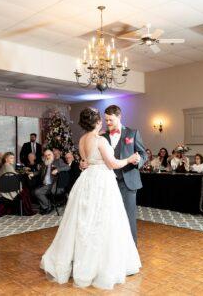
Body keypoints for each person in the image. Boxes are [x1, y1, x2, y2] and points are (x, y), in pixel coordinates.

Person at [41, 107, 141, 289]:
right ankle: (100, 266)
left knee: (84, 221)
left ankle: (79, 260)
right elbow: (112, 164)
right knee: (104, 222)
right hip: (102, 181)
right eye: (102, 120)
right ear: (98, 122)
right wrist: (129, 159)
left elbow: (86, 161)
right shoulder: (100, 140)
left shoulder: (82, 139)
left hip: (86, 180)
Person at [100, 105, 147, 244]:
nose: (107, 123)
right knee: (109, 217)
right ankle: (113, 248)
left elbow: (143, 153)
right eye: (106, 120)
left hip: (128, 182)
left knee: (128, 217)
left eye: (110, 120)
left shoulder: (132, 133)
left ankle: (131, 250)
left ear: (119, 117)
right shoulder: (102, 137)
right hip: (108, 182)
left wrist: (139, 160)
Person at [0, 152, 35, 216]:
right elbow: (15, 178)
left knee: (24, 190)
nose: (13, 159)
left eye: (13, 158)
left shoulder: (5, 166)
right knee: (25, 191)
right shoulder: (7, 166)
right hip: (5, 191)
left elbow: (13, 175)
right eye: (11, 158)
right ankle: (26, 211)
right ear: (6, 159)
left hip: (4, 189)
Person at [33, 149, 70, 215]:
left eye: (49, 155)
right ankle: (47, 206)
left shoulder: (58, 161)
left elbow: (67, 167)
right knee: (35, 191)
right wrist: (33, 174)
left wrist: (57, 170)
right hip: (45, 184)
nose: (47, 156)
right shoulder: (45, 163)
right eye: (46, 155)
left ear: (52, 155)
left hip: (53, 185)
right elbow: (39, 172)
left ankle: (48, 206)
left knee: (37, 192)